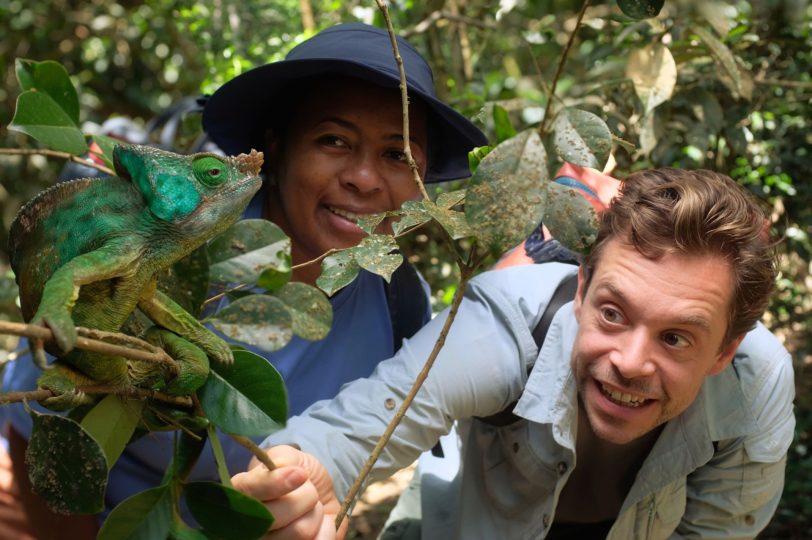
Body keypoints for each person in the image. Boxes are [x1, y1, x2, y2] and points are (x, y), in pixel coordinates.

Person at [0, 22, 486, 536]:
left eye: (398, 155)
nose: (363, 178)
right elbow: (36, 426)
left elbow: (345, 464)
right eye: (333, 140)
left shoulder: (400, 302)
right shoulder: (182, 253)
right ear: (277, 147)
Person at [232, 168, 795, 539]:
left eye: (676, 338)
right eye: (613, 313)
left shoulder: (755, 383)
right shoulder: (503, 327)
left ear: (724, 351)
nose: (630, 361)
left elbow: (718, 528)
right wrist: (302, 474)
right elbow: (365, 422)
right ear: (580, 290)